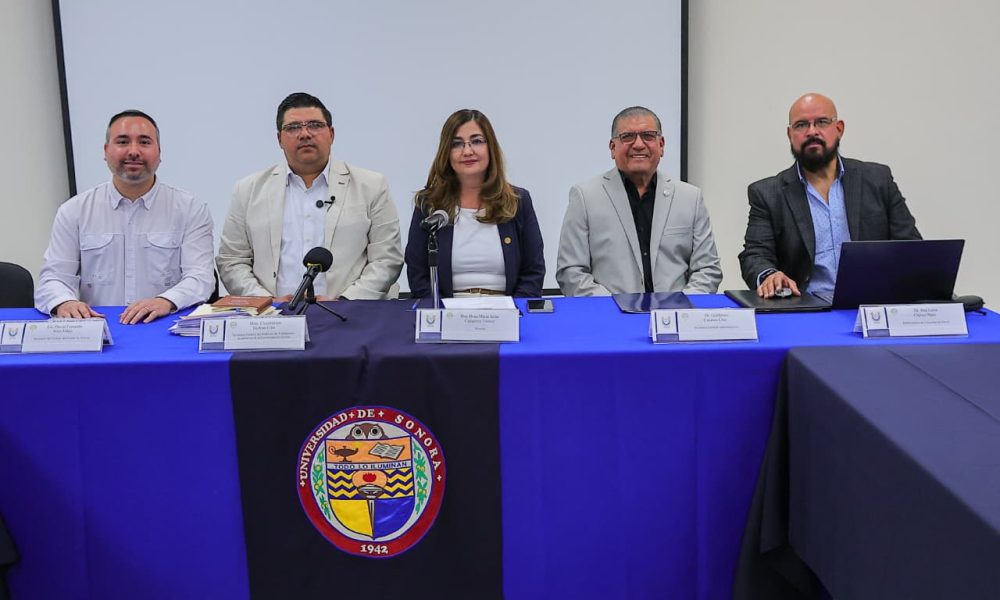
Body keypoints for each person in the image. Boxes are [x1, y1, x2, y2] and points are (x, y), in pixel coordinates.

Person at [217, 92, 403, 301]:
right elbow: (232, 260)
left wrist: (344, 302)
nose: (305, 134)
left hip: (349, 314)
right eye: (293, 127)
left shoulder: (371, 186)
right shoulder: (248, 190)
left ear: (331, 134)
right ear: (279, 139)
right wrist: (265, 303)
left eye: (315, 125)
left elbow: (386, 259)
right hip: (271, 315)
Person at [35, 110, 215, 324]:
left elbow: (201, 278)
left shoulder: (190, 209)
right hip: (99, 327)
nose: (134, 151)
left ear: (159, 152)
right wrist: (64, 302)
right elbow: (53, 277)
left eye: (144, 142)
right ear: (106, 151)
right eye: (122, 142)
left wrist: (166, 301)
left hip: (165, 326)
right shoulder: (74, 210)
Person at [739, 93, 921, 298]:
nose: (812, 131)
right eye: (801, 125)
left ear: (839, 128)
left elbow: (911, 248)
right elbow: (755, 255)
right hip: (805, 307)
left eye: (822, 122)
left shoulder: (878, 180)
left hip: (873, 303)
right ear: (790, 134)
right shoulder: (768, 194)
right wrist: (770, 275)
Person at [556, 106, 722, 296]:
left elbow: (707, 269)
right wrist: (613, 308)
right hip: (611, 313)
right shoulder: (585, 197)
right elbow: (571, 271)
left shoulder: (690, 198)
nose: (638, 144)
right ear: (612, 147)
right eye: (627, 137)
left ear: (661, 145)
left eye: (648, 136)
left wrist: (680, 306)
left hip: (676, 312)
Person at [405, 109, 544, 298]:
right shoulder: (429, 204)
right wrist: (439, 310)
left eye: (477, 141)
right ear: (446, 152)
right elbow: (417, 274)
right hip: (447, 311)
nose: (467, 151)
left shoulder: (518, 201)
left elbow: (533, 271)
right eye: (457, 144)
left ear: (490, 147)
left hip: (507, 309)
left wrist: (515, 309)